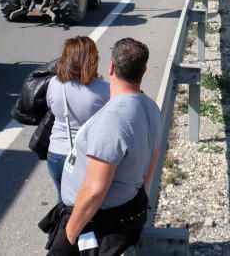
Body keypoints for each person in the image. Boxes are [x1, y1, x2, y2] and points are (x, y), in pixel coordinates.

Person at [45, 38, 161, 255]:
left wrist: (67, 238)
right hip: (121, 214)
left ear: (111, 67)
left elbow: (94, 190)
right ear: (144, 70)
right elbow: (151, 166)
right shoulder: (150, 107)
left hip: (98, 224)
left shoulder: (111, 120)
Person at [46, 37, 110, 197]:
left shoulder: (54, 83)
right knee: (86, 206)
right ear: (92, 60)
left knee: (64, 203)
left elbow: (50, 106)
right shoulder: (105, 90)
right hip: (86, 156)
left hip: (56, 154)